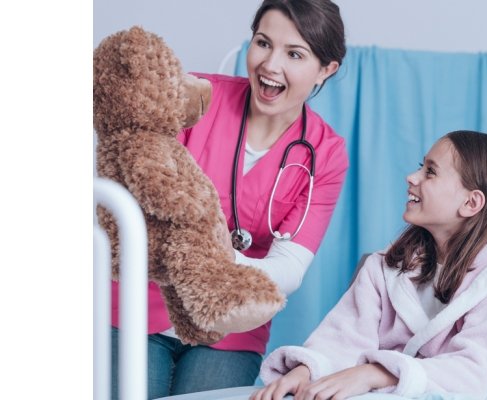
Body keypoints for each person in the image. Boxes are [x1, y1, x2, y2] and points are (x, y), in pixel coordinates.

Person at [109, 0, 349, 398]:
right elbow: (137, 206)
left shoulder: (325, 153)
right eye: (262, 43)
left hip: (231, 328)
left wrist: (215, 256)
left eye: (294, 54)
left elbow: (288, 269)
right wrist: (222, 257)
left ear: (327, 69)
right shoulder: (193, 99)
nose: (270, 65)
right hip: (136, 309)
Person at [251, 131, 487, 400]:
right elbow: (343, 338)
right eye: (421, 166)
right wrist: (308, 371)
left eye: (430, 172)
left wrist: (376, 373)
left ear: (471, 203)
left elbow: (473, 372)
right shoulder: (386, 267)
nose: (412, 177)